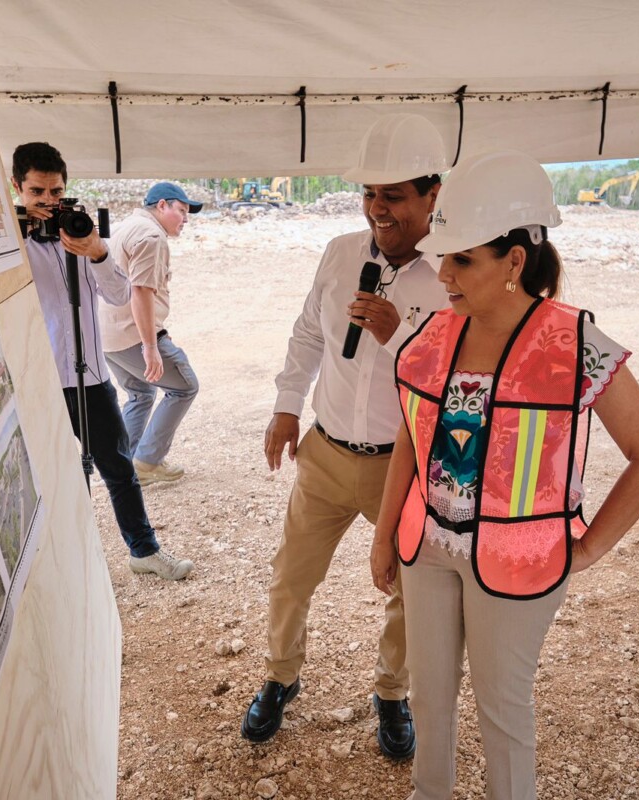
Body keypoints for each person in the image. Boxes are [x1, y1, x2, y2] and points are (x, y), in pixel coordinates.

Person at [371, 150, 639, 800]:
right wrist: (384, 533)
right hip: (426, 546)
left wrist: (589, 547)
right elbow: (411, 437)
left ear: (513, 261)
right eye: (443, 256)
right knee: (428, 696)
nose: (442, 273)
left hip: (520, 557)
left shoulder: (578, 344)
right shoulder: (433, 333)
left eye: (462, 260)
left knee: (502, 708)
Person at [241, 114, 451, 758]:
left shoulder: (454, 272)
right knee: (290, 577)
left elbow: (457, 381)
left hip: (405, 467)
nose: (377, 208)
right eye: (369, 193)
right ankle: (281, 676)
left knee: (410, 593)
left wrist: (399, 336)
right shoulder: (339, 254)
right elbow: (309, 333)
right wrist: (286, 407)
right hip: (327, 453)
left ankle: (392, 693)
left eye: (394, 195)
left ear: (433, 194)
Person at [11, 142, 193, 581]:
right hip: (39, 379)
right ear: (17, 187)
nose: (48, 201)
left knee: (119, 467)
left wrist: (95, 251)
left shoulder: (82, 236)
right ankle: (63, 569)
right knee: (50, 474)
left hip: (90, 376)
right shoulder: (9, 241)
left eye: (56, 192)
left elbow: (117, 295)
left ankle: (144, 551)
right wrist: (16, 226)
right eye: (37, 192)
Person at [101, 182, 203, 486]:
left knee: (141, 393)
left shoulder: (125, 227)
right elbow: (141, 291)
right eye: (181, 211)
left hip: (107, 335)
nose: (185, 219)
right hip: (132, 335)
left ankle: (125, 464)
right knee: (184, 387)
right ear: (162, 206)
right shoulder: (152, 236)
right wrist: (150, 346)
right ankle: (147, 462)